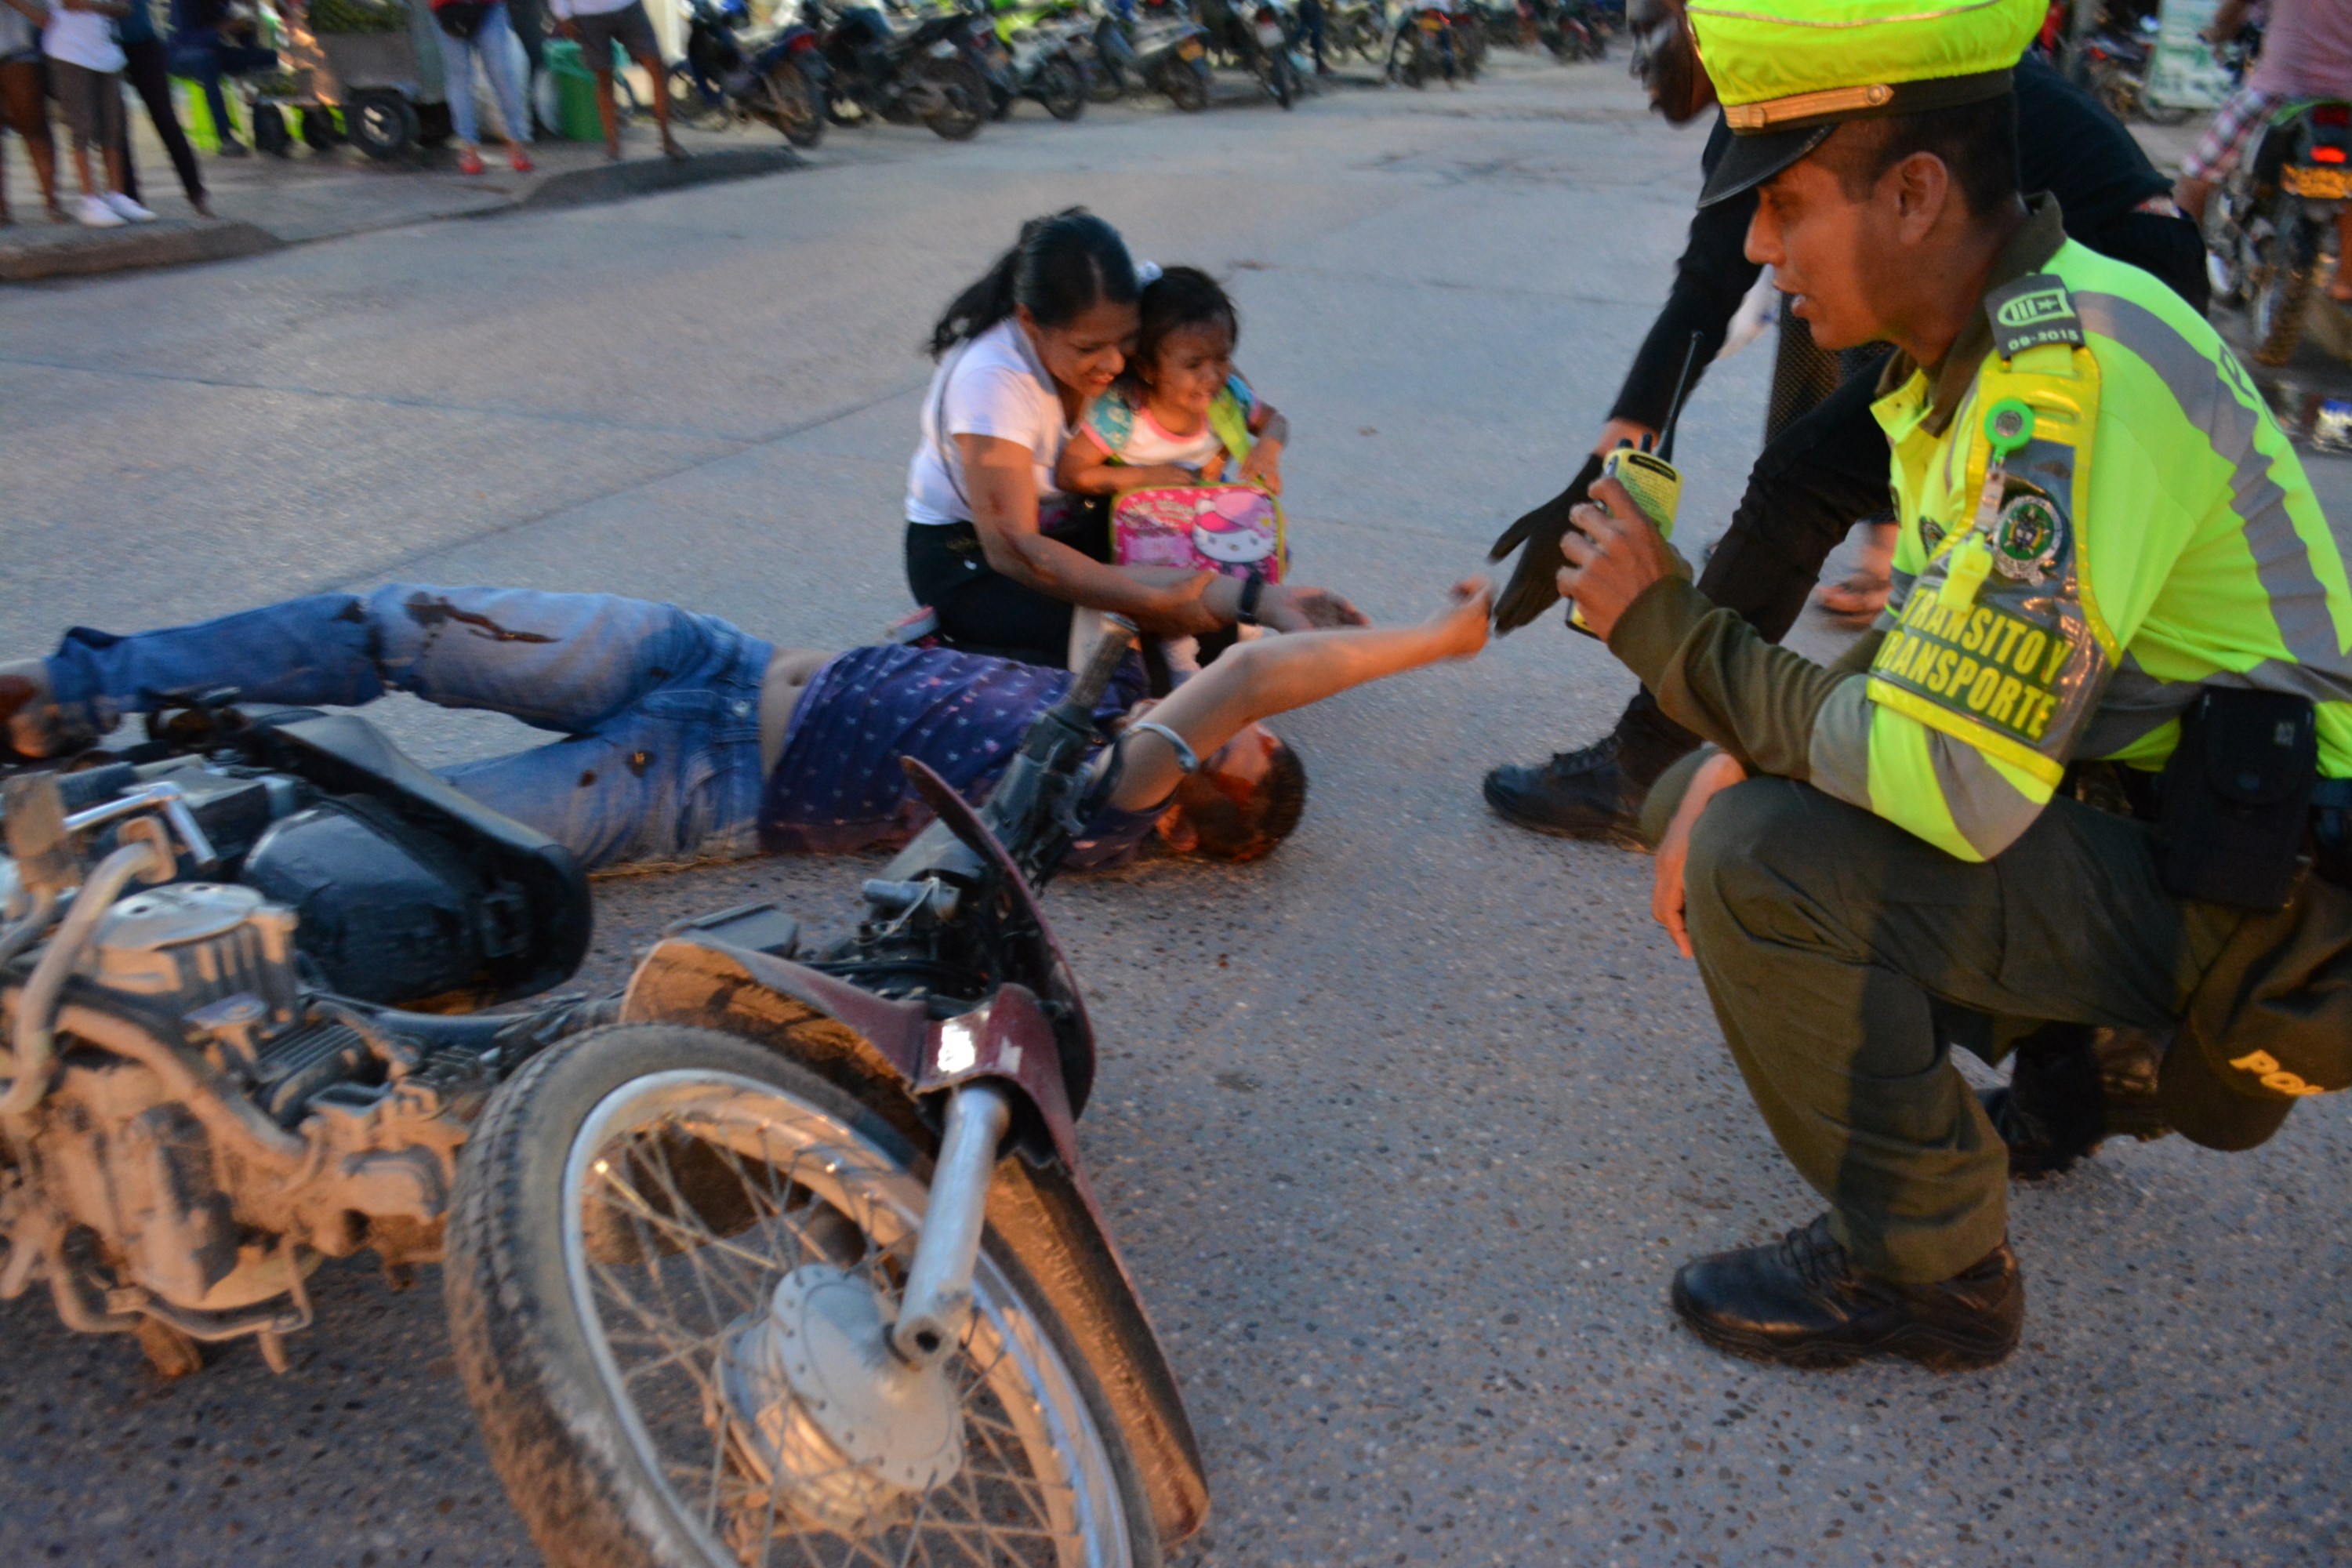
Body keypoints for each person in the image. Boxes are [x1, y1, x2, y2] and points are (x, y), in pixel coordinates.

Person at [1552, 0, 2352, 1371]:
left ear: (1915, 193)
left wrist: (1669, 630)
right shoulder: (1975, 360)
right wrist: (1730, 751)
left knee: (1761, 859)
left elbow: (1956, 781)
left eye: (1786, 204)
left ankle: (1930, 1267)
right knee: (1711, 786)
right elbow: (1936, 648)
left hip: (2275, 914)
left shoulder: (2067, 382)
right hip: (2181, 821)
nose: (1757, 246)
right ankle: (2083, 1059)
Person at [1482, 0, 2209, 850]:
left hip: (2090, 281)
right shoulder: (1852, 38)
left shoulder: (1798, 69)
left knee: (1808, 476)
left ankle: (1646, 766)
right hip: (2123, 257)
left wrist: (1618, 469)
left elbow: (1707, 291)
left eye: (1661, 24)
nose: (1654, 45)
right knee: (1846, 453)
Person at [0, 576, 1488, 874]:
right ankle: (85, 691)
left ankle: (100, 873)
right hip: (705, 655)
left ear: (1187, 808)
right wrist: (1280, 608)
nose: (1215, 715)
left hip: (692, 777)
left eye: (1232, 744)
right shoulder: (1117, 710)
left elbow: (1239, 685)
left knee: (395, 828)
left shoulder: (1098, 796)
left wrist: (1432, 641)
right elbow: (1202, 646)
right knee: (395, 627)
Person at [907, 210, 1362, 670]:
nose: (1112, 365)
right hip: (975, 557)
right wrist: (1151, 600)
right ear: (1028, 321)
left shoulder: (1128, 303)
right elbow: (1017, 551)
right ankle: (950, 650)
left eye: (1125, 342)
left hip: (1076, 524)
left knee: (1216, 626)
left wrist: (1254, 597)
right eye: (1088, 349)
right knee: (1124, 656)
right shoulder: (992, 380)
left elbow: (1210, 369)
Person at [2176, 0, 2352, 299]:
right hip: (2346, 101)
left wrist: (2219, 31)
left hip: (2280, 92)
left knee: (2196, 173)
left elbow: (2236, 8)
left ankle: (2176, 267)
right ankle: (2345, 280)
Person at [43, 0, 155, 228]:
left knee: (113, 126)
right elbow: (71, 3)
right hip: (69, 51)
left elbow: (125, 8)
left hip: (106, 51)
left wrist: (95, 5)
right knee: (81, 127)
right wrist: (103, 5)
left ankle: (116, 195)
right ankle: (90, 200)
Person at [547, 0, 681, 162]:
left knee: (657, 68)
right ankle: (613, 146)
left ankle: (667, 138)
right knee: (604, 78)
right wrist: (563, 15)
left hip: (627, 6)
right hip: (588, 13)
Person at [115, 0, 208, 217]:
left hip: (141, 39)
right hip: (107, 43)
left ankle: (196, 193)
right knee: (117, 126)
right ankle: (131, 198)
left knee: (164, 117)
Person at [430, 0, 535, 176]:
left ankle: (515, 141)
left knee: (500, 75)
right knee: (463, 78)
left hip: (486, 7)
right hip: (447, 7)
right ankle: (469, 147)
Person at [165, 0, 274, 157]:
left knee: (266, 57)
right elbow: (184, 39)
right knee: (207, 60)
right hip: (181, 54)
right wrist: (220, 30)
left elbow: (244, 42)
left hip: (213, 52)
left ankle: (263, 130)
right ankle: (225, 137)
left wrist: (245, 28)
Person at [0, 0, 64, 224]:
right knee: (36, 131)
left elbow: (46, 12)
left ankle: (52, 202)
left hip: (19, 50)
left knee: (35, 127)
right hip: (18, 49)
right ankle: (4, 210)